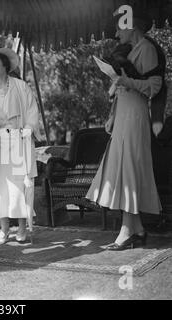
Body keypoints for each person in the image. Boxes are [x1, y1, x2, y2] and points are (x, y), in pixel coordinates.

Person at [86, 10, 163, 250]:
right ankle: (136, 229)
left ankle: (127, 231)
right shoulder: (130, 51)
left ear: (133, 26)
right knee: (122, 166)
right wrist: (112, 115)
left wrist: (126, 81)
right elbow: (123, 87)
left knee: (128, 167)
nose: (117, 33)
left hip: (136, 114)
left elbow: (155, 85)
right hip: (124, 113)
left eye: (120, 28)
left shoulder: (147, 48)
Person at [0, 48, 43, 245]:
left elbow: (32, 111)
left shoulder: (21, 86)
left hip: (18, 138)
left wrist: (28, 130)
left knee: (19, 186)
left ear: (5, 65)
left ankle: (22, 228)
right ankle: (4, 230)